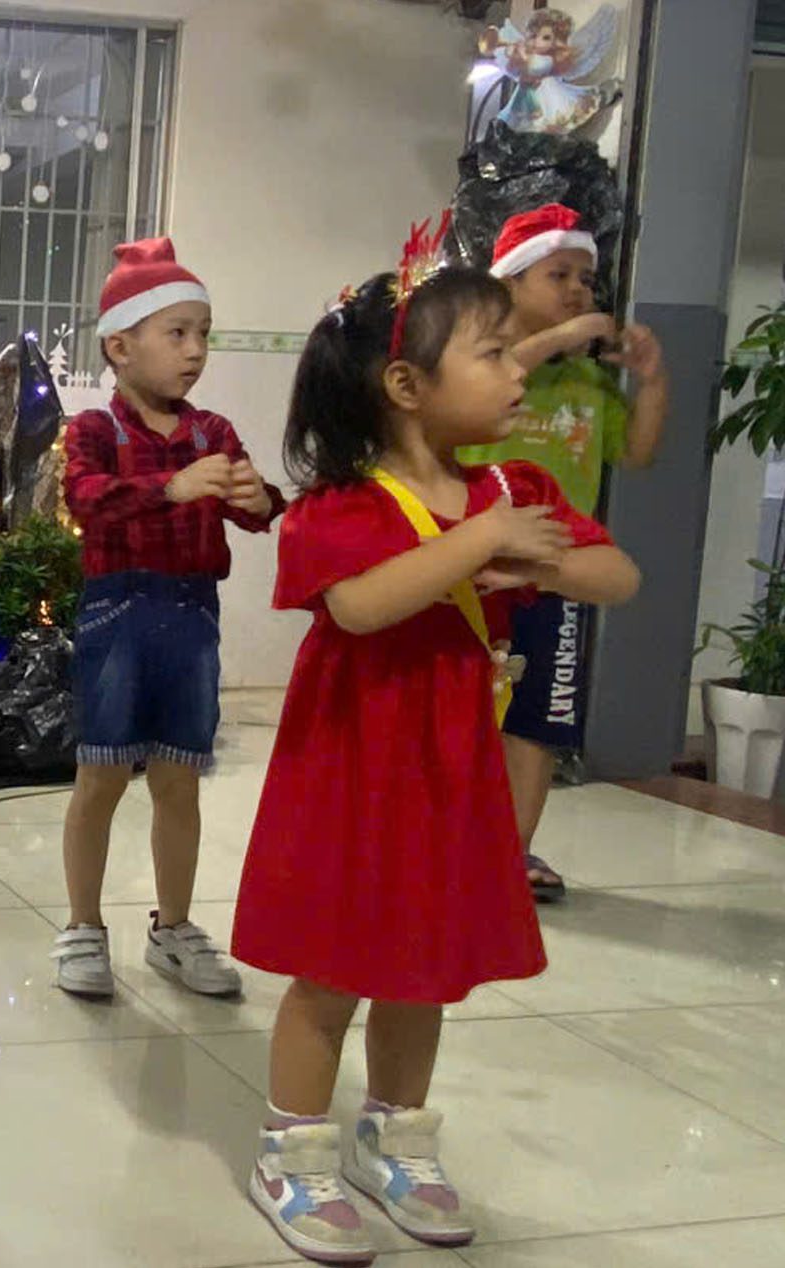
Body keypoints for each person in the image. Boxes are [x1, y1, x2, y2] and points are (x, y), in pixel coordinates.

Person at [234, 254, 639, 1264]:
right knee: (331, 969)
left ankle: (394, 1136)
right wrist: (480, 543)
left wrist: (536, 553)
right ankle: (292, 1150)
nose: (516, 371)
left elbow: (617, 575)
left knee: (421, 963)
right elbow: (360, 605)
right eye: (492, 353)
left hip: (450, 770)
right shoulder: (340, 504)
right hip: (351, 771)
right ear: (406, 385)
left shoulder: (513, 487)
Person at [52, 238, 282, 1003]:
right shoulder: (94, 430)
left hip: (191, 619)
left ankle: (173, 928)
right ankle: (83, 925)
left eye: (203, 333)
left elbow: (255, 508)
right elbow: (84, 498)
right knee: (101, 776)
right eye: (177, 332)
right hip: (115, 616)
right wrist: (170, 488)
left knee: (179, 781)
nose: (195, 351)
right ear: (120, 346)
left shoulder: (213, 432)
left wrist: (260, 500)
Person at [459, 203, 668, 902]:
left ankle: (509, 856)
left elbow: (637, 451)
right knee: (463, 715)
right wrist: (562, 337)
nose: (579, 290)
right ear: (510, 282)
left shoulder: (587, 383)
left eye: (586, 277)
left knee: (537, 722)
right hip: (476, 572)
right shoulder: (485, 363)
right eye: (559, 274)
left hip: (557, 575)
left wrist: (652, 380)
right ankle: (445, 843)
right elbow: (482, 380)